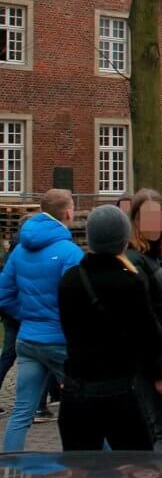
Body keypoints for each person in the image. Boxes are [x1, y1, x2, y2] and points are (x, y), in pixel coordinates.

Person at [57, 205, 162, 451]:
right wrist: (161, 373)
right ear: (124, 239)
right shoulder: (129, 281)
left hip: (76, 390)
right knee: (137, 468)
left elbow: (69, 328)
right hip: (117, 391)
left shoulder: (71, 279)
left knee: (79, 472)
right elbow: (146, 333)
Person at [0, 190, 83, 451]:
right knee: (86, 407)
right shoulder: (70, 253)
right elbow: (77, 302)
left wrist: (28, 316)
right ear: (68, 212)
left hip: (28, 338)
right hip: (60, 341)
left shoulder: (20, 249)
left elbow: (4, 294)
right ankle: (104, 468)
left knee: (22, 412)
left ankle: (7, 468)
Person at [125, 189, 162, 453]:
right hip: (149, 362)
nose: (154, 223)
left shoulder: (153, 257)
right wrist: (160, 370)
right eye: (147, 216)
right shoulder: (136, 261)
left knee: (151, 433)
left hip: (157, 357)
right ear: (135, 220)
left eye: (158, 216)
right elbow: (141, 323)